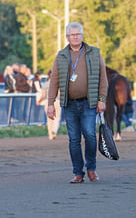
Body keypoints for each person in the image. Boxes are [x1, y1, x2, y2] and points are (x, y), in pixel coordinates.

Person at [47, 22, 108, 183]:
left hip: (89, 103)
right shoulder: (61, 56)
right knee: (74, 139)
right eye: (72, 35)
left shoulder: (94, 53)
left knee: (89, 135)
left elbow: (103, 78)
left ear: (82, 35)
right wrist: (50, 103)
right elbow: (54, 81)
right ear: (67, 37)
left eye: (78, 34)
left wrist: (102, 99)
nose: (76, 37)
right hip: (69, 104)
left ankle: (92, 169)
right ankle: (78, 173)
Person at [38, 69, 61, 140]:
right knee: (57, 118)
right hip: (56, 101)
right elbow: (60, 94)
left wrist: (39, 101)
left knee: (49, 119)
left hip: (47, 102)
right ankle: (54, 130)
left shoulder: (45, 84)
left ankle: (51, 135)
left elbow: (43, 95)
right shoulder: (58, 83)